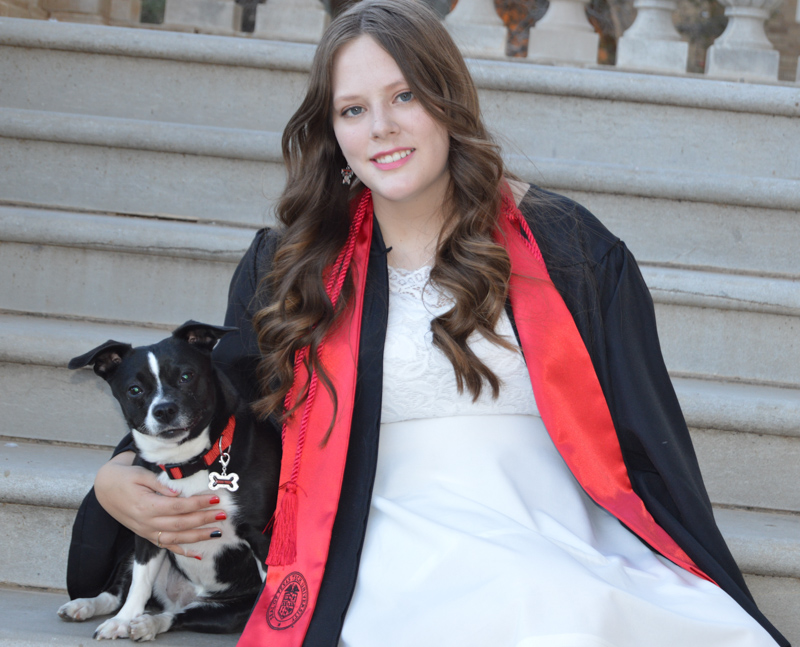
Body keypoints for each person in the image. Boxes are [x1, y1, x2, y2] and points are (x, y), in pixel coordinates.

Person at [73, 1, 788, 646]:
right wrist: (116, 473)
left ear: (447, 100)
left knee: (600, 608)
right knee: (516, 605)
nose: (380, 127)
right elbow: (219, 395)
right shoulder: (292, 267)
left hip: (558, 520)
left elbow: (645, 428)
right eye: (353, 110)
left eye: (404, 96)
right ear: (332, 131)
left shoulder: (568, 249)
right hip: (380, 524)